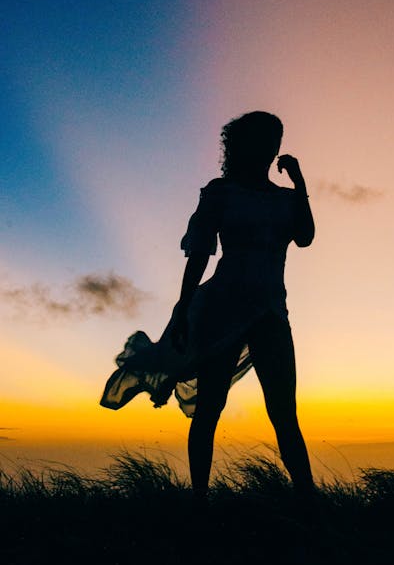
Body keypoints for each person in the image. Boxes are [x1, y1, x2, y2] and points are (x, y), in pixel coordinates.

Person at [100, 110, 315, 501]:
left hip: (270, 312)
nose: (271, 147)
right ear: (245, 145)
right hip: (221, 311)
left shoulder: (286, 199)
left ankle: (309, 500)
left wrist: (300, 183)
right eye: (264, 138)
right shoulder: (221, 192)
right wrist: (183, 307)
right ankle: (199, 499)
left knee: (284, 411)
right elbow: (199, 253)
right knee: (210, 408)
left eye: (275, 139)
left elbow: (305, 238)